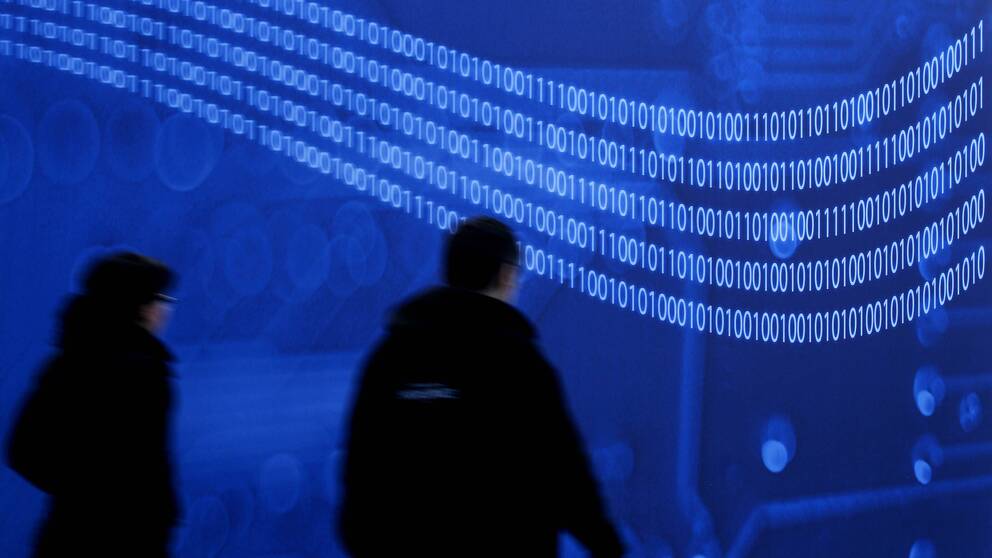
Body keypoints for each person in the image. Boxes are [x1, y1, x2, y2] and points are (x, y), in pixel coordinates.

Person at [339, 217, 624, 557]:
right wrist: (608, 546)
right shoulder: (521, 366)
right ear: (506, 275)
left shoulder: (389, 359)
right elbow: (566, 480)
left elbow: (359, 479)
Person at [6, 252, 181, 557]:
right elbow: (147, 469)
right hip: (126, 541)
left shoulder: (66, 363)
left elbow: (22, 450)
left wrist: (78, 493)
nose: (166, 310)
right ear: (138, 305)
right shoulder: (144, 372)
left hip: (67, 537)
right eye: (161, 298)